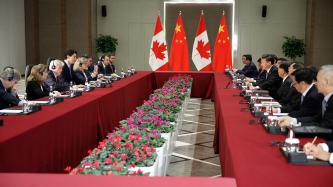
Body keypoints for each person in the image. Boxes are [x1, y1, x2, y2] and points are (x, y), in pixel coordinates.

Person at [278, 65, 333, 131]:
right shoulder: (326, 98)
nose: (315, 83)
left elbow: (325, 127)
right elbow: (316, 119)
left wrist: (293, 123)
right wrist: (294, 120)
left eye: (317, 80)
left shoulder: (318, 97)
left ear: (326, 82)